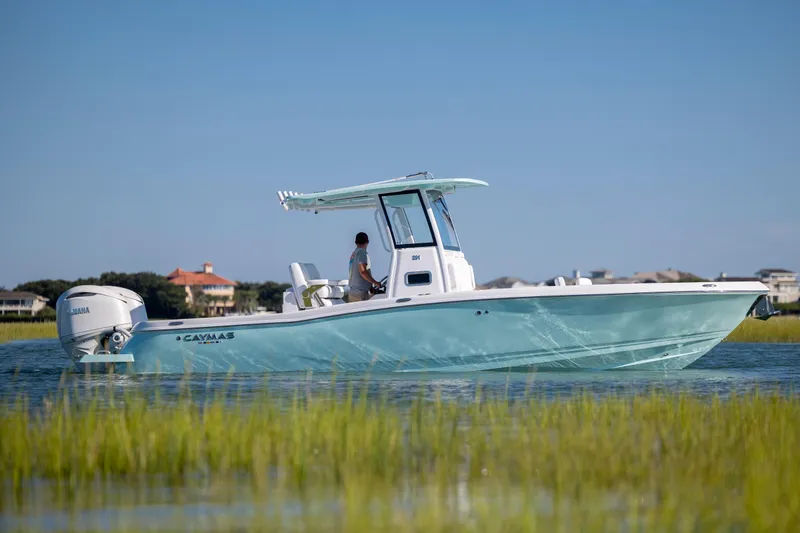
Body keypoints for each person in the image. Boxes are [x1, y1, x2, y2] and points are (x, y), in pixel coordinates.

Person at [347, 232, 381, 302]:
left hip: (353, 292)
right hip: (360, 294)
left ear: (355, 242)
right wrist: (376, 283)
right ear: (367, 242)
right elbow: (363, 272)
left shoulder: (354, 254)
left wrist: (370, 287)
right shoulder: (362, 253)